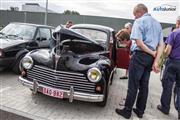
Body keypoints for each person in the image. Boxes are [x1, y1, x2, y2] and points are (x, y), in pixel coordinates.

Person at [115, 3, 164, 119]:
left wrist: (152, 53)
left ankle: (127, 111)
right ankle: (140, 111)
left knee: (133, 86)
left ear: (139, 12)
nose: (134, 18)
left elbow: (139, 43)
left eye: (135, 15)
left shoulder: (139, 21)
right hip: (150, 59)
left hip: (140, 56)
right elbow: (161, 45)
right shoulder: (158, 24)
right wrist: (156, 61)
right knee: (144, 85)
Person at [157, 16, 180, 120]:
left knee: (167, 85)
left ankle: (165, 108)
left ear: (178, 22)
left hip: (173, 63)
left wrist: (161, 60)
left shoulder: (174, 33)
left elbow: (167, 51)